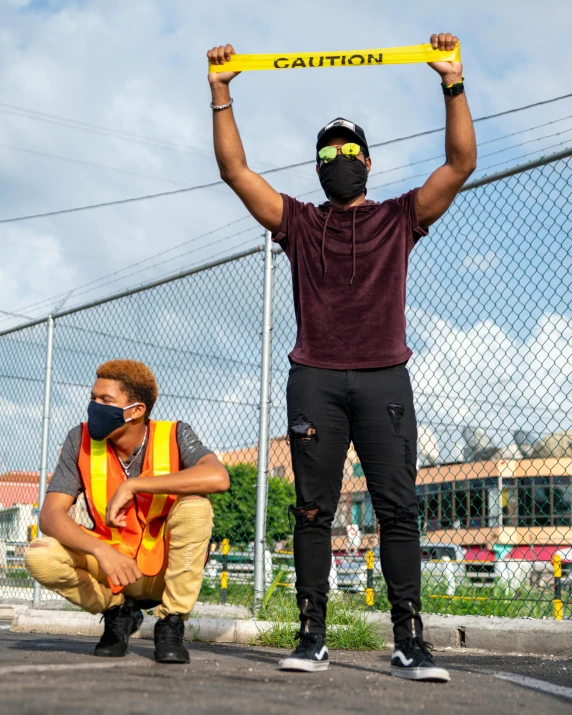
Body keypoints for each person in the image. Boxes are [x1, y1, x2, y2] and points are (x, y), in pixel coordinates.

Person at [207, 32, 476, 680]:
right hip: (315, 380)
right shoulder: (298, 221)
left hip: (385, 377)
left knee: (397, 509)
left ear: (368, 161)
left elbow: (461, 162)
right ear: (318, 164)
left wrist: (452, 82)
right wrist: (220, 95)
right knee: (311, 510)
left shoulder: (397, 217)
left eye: (347, 149)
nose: (337, 158)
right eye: (326, 150)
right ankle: (311, 635)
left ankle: (410, 639)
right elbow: (236, 172)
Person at [25, 359, 229, 664]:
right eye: (93, 398)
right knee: (39, 555)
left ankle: (171, 622)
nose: (94, 407)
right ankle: (118, 612)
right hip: (112, 565)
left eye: (106, 401)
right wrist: (100, 550)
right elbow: (50, 515)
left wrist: (136, 485)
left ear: (136, 410)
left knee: (197, 507)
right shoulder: (78, 440)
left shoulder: (174, 435)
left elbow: (218, 478)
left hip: (164, 566)